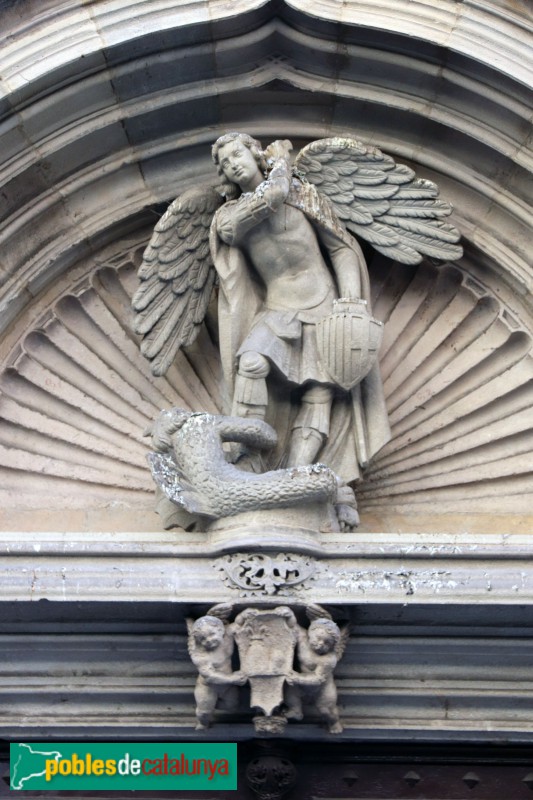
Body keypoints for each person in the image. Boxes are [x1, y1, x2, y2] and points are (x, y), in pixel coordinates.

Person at [210, 133, 389, 514]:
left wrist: (351, 304)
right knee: (251, 362)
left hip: (322, 302)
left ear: (253, 154)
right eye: (224, 163)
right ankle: (245, 459)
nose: (233, 164)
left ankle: (297, 474)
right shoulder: (228, 216)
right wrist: (280, 168)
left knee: (319, 392)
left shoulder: (305, 195)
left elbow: (340, 248)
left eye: (237, 154)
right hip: (277, 308)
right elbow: (258, 208)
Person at [285, 618, 344, 734]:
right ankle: (296, 711)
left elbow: (318, 678)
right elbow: (293, 625)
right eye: (318, 638)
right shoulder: (303, 639)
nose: (321, 644)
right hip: (300, 685)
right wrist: (287, 613)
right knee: (290, 694)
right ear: (310, 632)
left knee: (326, 710)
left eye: (327, 643)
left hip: (322, 689)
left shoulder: (328, 659)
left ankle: (334, 722)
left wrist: (297, 678)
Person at [187, 614, 246, 730]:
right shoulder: (200, 656)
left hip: (227, 686)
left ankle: (213, 704)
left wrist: (247, 613)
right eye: (203, 639)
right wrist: (232, 679)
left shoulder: (227, 635)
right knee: (204, 713)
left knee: (232, 706)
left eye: (211, 634)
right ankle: (203, 723)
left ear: (220, 630)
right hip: (209, 688)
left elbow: (239, 623)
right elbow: (210, 676)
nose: (208, 640)